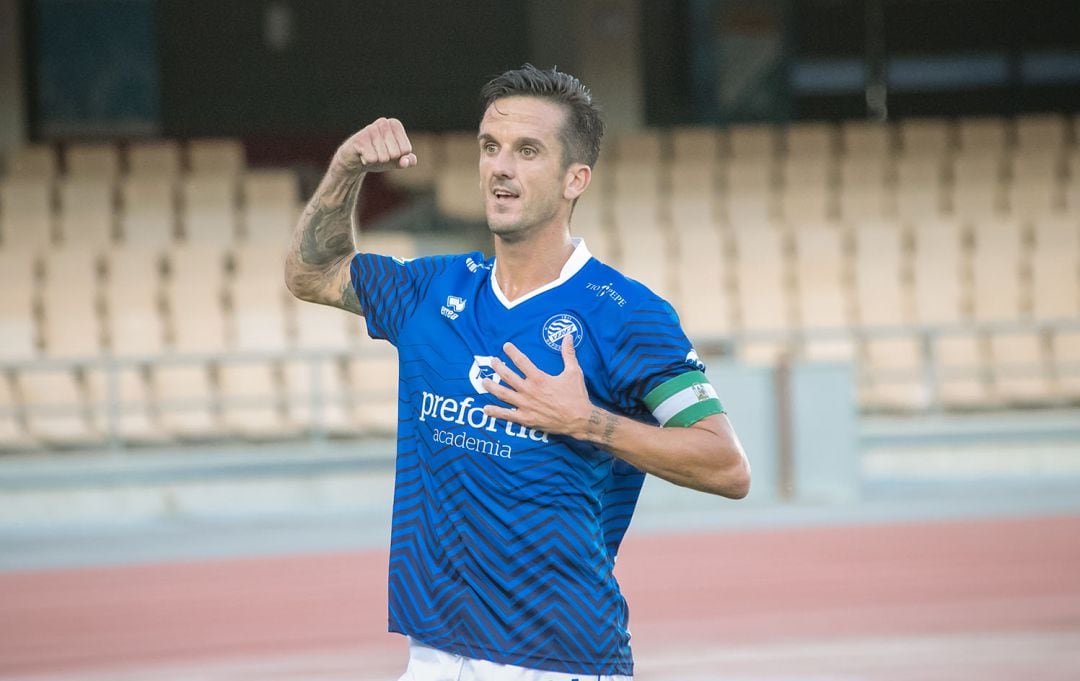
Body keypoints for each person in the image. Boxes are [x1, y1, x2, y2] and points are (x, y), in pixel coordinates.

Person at [284, 64, 750, 681]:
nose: (500, 167)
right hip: (433, 652)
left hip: (564, 658)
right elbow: (312, 274)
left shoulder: (628, 314)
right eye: (489, 147)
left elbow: (727, 466)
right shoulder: (431, 289)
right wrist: (345, 170)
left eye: (527, 151)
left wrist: (587, 422)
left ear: (574, 179)